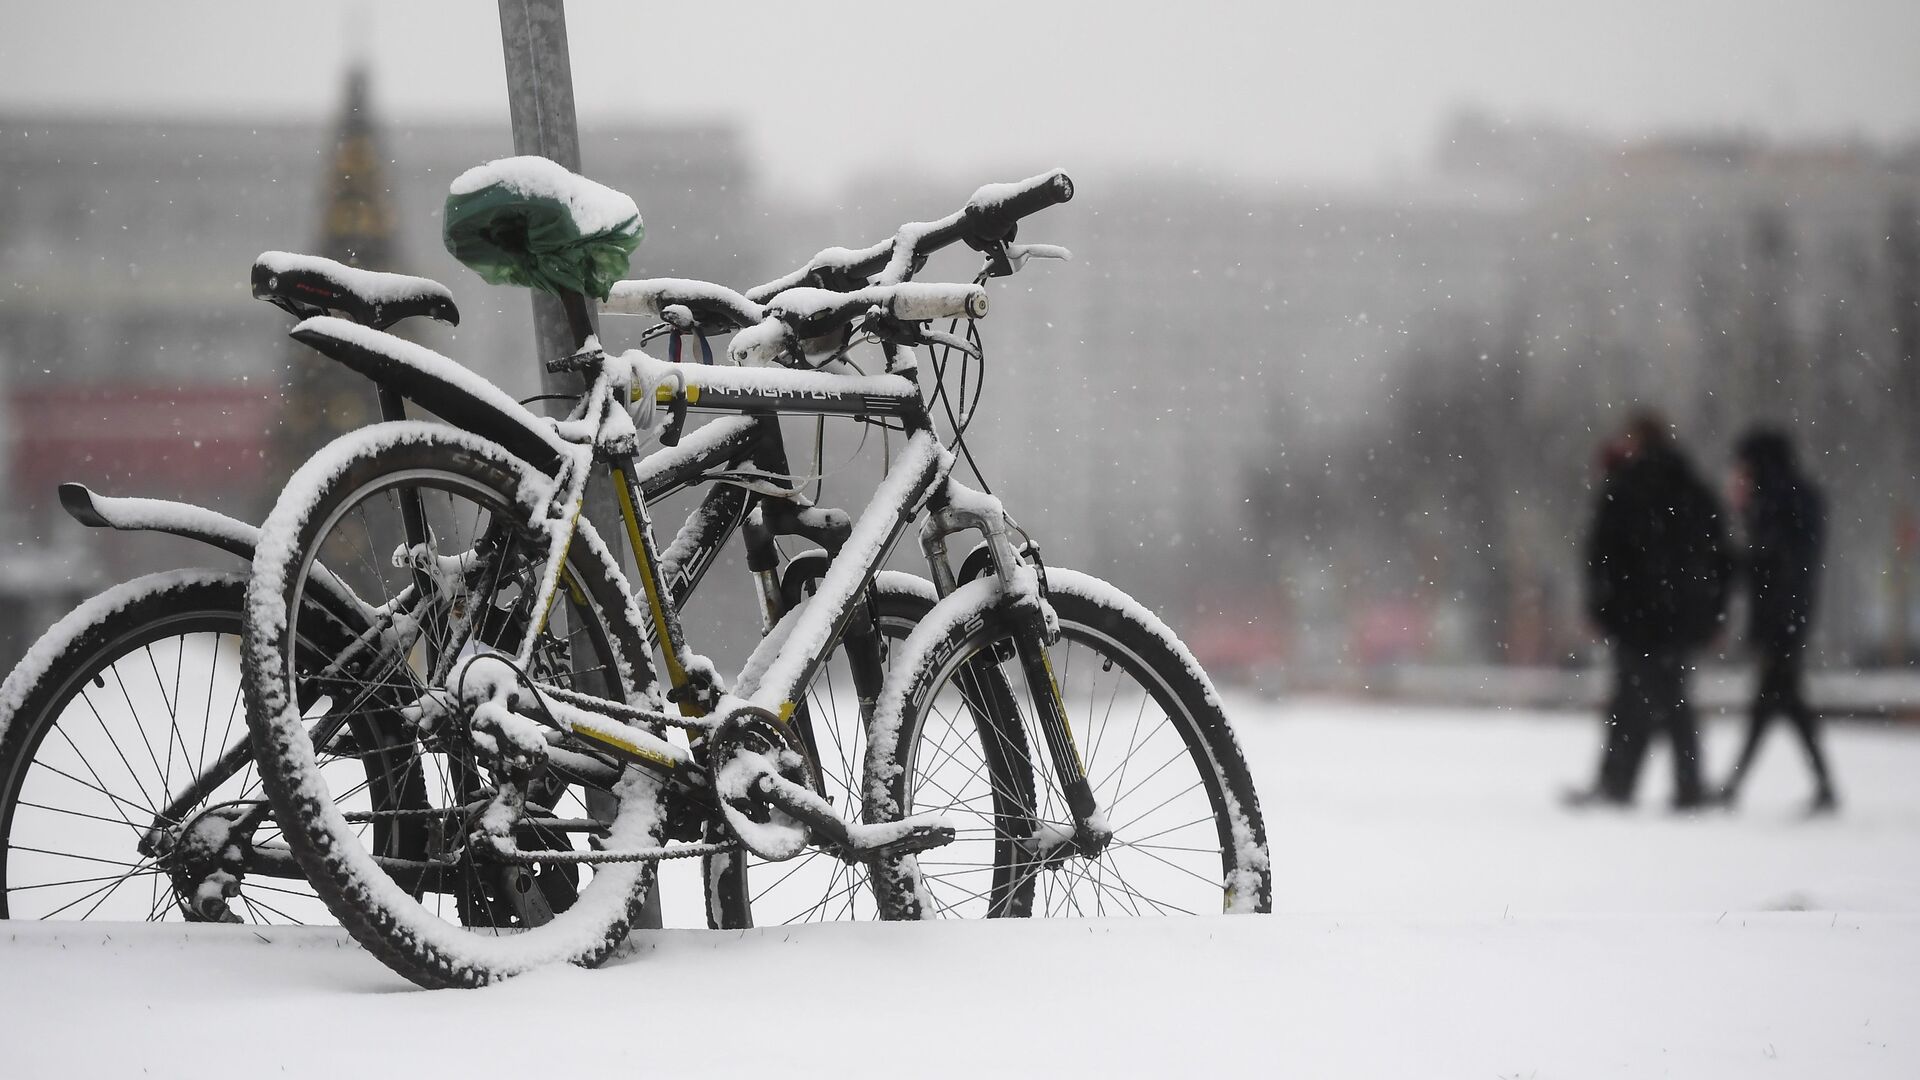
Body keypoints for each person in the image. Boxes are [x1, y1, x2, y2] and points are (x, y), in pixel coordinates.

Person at [1569, 411, 1733, 809]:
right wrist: (1714, 612)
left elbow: (1601, 556)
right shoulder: (1694, 490)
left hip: (1634, 616)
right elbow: (1721, 559)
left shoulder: (1623, 488)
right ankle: (1687, 785)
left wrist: (1599, 608)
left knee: (1630, 700)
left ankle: (1618, 782)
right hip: (1681, 617)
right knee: (1674, 701)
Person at [1718, 428, 1837, 812]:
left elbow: (1766, 565)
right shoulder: (1793, 500)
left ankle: (1736, 783)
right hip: (1789, 618)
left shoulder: (1776, 503)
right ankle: (1818, 785)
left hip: (1780, 620)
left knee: (1774, 703)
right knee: (1782, 704)